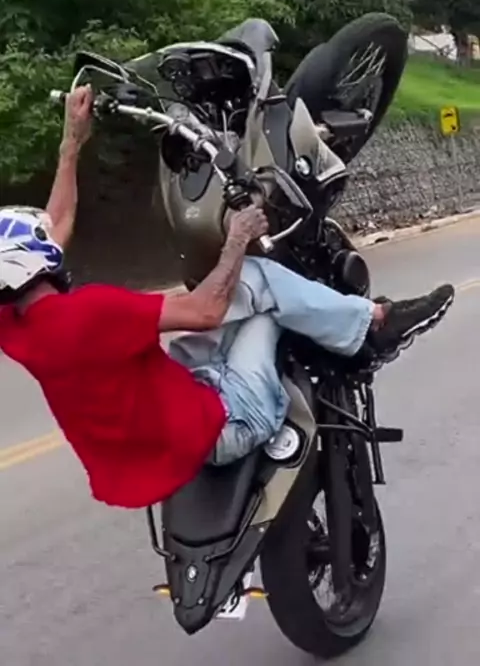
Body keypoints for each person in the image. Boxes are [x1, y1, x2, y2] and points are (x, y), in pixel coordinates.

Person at [0, 87, 454, 508]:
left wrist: (72, 142)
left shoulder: (15, 325)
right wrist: (237, 237)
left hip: (158, 434)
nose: (50, 235)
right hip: (223, 427)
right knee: (263, 295)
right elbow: (205, 310)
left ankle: (359, 324)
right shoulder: (91, 311)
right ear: (36, 258)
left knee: (241, 292)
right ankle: (375, 325)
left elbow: (57, 221)